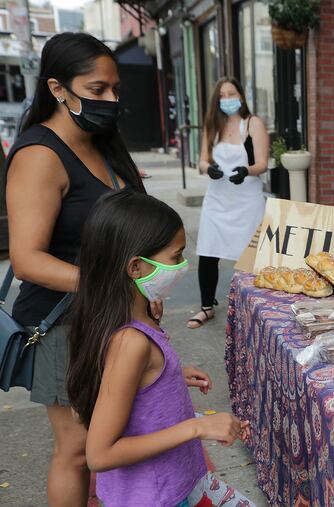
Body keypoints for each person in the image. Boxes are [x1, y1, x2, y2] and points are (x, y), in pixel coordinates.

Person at [5, 32, 149, 506]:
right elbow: (28, 260)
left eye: (115, 89)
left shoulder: (101, 141)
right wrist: (114, 286)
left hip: (112, 320)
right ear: (57, 88)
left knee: (110, 438)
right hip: (64, 326)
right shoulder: (39, 156)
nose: (111, 100)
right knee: (77, 449)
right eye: (97, 90)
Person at [66, 190, 250, 506]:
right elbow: (99, 453)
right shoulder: (130, 343)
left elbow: (128, 388)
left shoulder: (134, 317)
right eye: (176, 257)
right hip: (156, 496)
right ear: (135, 267)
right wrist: (197, 426)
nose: (182, 264)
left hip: (177, 481)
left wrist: (171, 376)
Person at [188, 77, 269, 329]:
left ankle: (256, 309)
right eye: (222, 95)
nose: (227, 99)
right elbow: (202, 160)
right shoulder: (212, 125)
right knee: (208, 251)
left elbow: (263, 163)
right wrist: (207, 169)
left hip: (247, 200)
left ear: (241, 96)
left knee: (251, 256)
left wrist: (246, 170)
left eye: (231, 93)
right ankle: (206, 307)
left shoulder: (252, 124)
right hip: (217, 200)